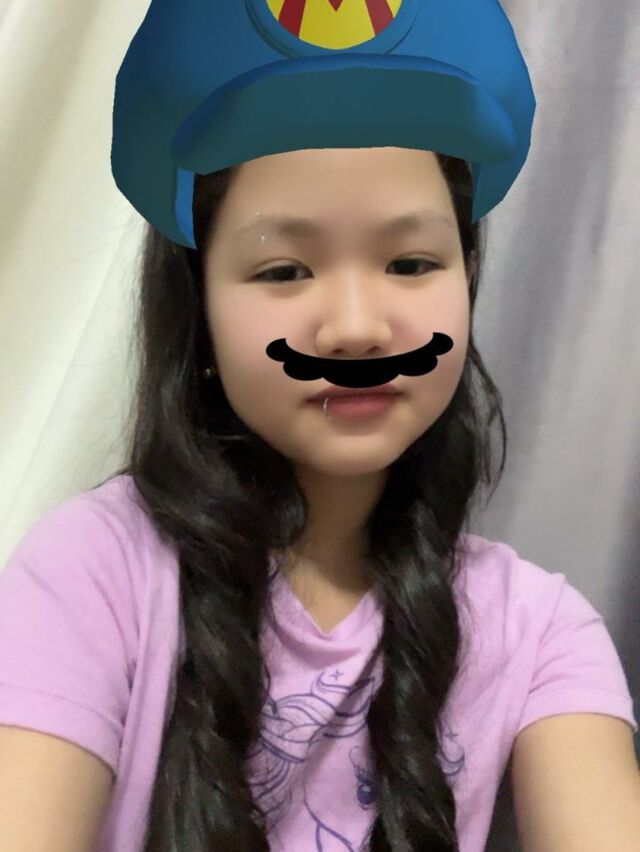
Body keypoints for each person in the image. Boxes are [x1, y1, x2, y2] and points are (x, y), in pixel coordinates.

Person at [1, 3, 638, 852]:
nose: (356, 328)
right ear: (200, 304)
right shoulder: (91, 575)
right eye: (284, 269)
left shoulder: (538, 632)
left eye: (410, 262)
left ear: (468, 276)